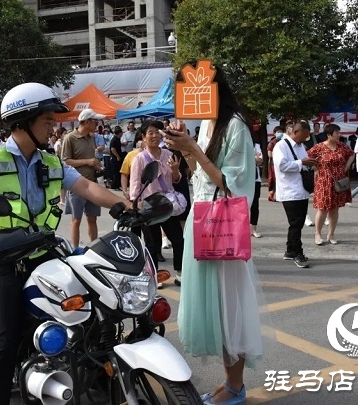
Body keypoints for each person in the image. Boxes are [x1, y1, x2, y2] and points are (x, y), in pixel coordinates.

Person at [0, 82, 131, 405]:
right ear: (23, 122)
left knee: (95, 309)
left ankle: (96, 377)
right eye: (47, 120)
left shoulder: (51, 162)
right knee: (3, 340)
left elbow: (86, 187)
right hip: (2, 262)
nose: (53, 125)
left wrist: (127, 206)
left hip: (45, 255)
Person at [165, 63, 268, 405]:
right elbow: (202, 175)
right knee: (216, 309)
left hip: (223, 227)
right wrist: (184, 152)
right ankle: (230, 382)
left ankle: (236, 387)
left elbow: (231, 184)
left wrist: (192, 148)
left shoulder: (235, 126)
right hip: (203, 221)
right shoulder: (208, 125)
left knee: (229, 309)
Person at [129, 120, 184, 284]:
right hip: (149, 206)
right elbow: (134, 184)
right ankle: (155, 275)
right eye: (150, 133)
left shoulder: (168, 154)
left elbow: (176, 179)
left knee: (178, 239)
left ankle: (180, 273)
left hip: (167, 204)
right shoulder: (139, 159)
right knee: (152, 243)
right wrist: (135, 204)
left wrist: (175, 171)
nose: (154, 136)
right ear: (143, 137)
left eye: (156, 132)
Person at [273, 121, 317, 268]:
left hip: (301, 191)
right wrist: (301, 162)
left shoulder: (301, 147)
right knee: (296, 224)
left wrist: (309, 164)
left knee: (297, 223)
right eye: (305, 134)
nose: (307, 138)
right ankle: (298, 252)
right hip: (290, 191)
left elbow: (303, 164)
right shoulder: (281, 146)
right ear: (296, 132)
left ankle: (290, 250)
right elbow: (282, 166)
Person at [61, 108, 104, 248]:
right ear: (86, 122)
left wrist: (96, 165)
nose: (97, 124)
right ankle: (75, 250)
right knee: (76, 220)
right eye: (94, 121)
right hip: (76, 185)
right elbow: (65, 161)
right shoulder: (70, 138)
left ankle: (94, 248)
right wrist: (87, 162)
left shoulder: (91, 137)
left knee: (92, 219)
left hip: (92, 183)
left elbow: (91, 158)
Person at [307, 124, 355, 245]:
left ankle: (331, 234)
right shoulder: (319, 147)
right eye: (336, 133)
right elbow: (307, 157)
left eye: (339, 133)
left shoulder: (341, 146)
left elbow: (352, 154)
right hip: (324, 181)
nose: (339, 135)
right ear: (329, 135)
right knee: (322, 209)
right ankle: (317, 233)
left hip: (338, 182)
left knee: (335, 209)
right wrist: (315, 167)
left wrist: (347, 166)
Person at [251, 142, 263, 238]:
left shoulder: (256, 146)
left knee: (254, 205)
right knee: (241, 205)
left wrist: (248, 157)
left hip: (255, 179)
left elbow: (260, 161)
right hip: (242, 179)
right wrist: (253, 157)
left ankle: (253, 229)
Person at [109, 126, 124, 190]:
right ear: (119, 133)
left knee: (118, 172)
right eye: (121, 132)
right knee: (116, 173)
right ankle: (115, 186)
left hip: (118, 157)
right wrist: (117, 156)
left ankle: (116, 185)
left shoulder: (118, 139)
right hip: (115, 159)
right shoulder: (114, 139)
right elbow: (112, 149)